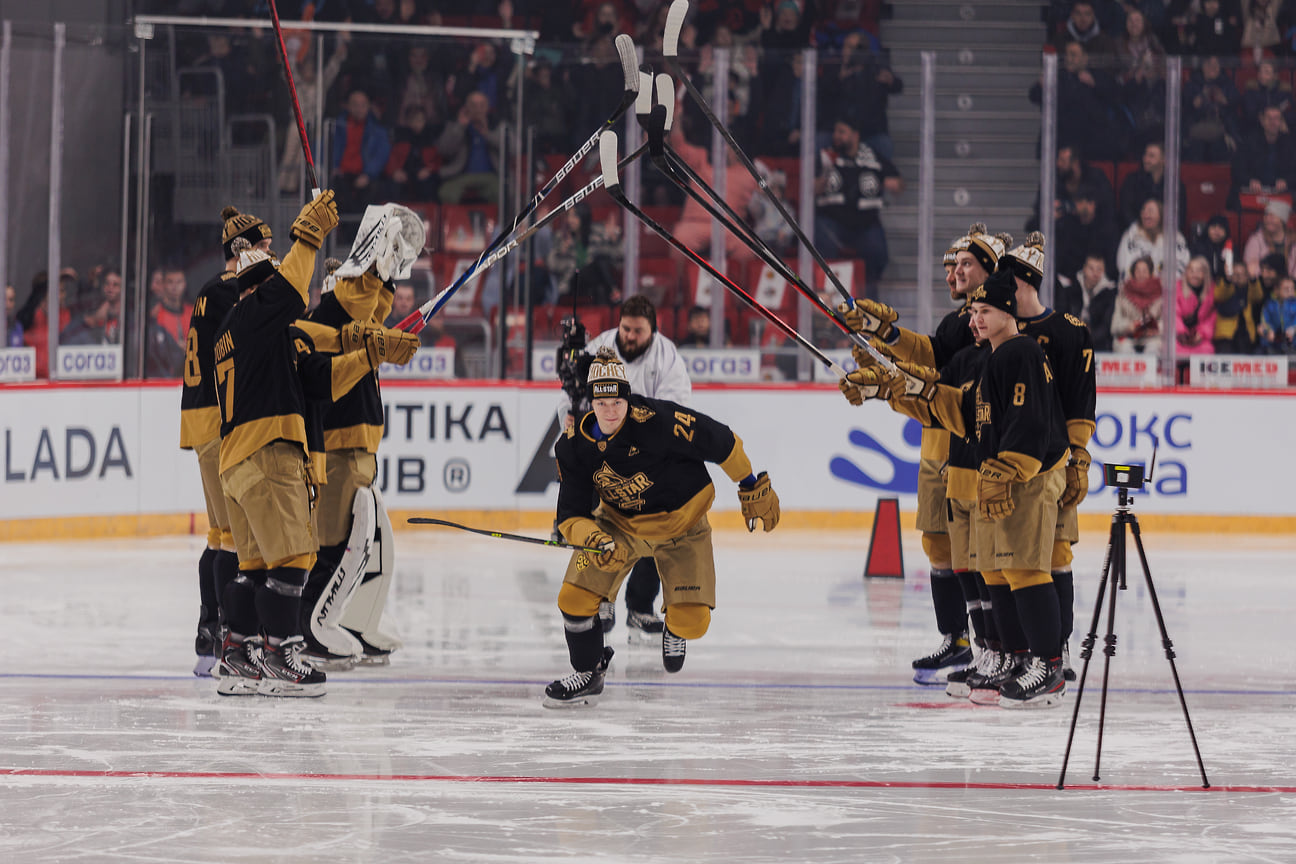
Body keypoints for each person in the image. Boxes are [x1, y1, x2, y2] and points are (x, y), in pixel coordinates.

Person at [843, 264, 1071, 708]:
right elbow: (962, 411)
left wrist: (1006, 470)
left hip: (1026, 480)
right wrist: (893, 389)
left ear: (1008, 312)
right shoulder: (992, 358)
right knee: (1003, 571)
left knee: (1026, 570)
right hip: (1006, 479)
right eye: (974, 312)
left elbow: (1030, 424)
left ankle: (1049, 668)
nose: (975, 319)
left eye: (985, 311)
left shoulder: (1020, 353)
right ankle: (1022, 659)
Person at [212, 190, 411, 698]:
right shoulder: (259, 310)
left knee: (252, 565)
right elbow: (293, 295)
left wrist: (371, 351)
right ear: (260, 283)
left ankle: (238, 652)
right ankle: (280, 654)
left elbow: (321, 376)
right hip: (267, 450)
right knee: (295, 559)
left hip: (235, 461)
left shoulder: (245, 333)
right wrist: (308, 234)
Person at [544, 347, 780, 706]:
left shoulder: (658, 419)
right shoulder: (573, 446)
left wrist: (749, 482)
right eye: (602, 403)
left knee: (693, 623)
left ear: (627, 397)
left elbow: (720, 440)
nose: (610, 411)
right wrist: (592, 537)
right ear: (591, 402)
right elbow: (571, 515)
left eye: (617, 402)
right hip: (619, 527)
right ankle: (589, 671)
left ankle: (675, 623)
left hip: (682, 526)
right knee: (572, 599)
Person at [836, 223, 1010, 685]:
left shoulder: (996, 326)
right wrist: (883, 351)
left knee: (978, 551)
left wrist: (887, 339)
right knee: (938, 543)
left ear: (990, 271)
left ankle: (998, 647)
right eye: (950, 265)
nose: (952, 273)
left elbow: (930, 368)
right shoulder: (956, 322)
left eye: (962, 264)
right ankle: (958, 639)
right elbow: (928, 366)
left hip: (969, 444)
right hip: (938, 442)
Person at [301, 205, 423, 669]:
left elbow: (372, 308)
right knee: (335, 547)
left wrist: (386, 276)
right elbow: (358, 301)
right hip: (337, 452)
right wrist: (371, 264)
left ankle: (350, 619)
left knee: (365, 544)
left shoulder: (357, 326)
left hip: (362, 451)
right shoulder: (325, 323)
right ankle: (310, 628)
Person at [558, 295, 693, 642]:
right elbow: (570, 393)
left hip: (648, 460)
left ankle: (640, 607)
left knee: (652, 531)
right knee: (598, 526)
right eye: (626, 328)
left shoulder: (668, 359)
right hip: (601, 456)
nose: (630, 336)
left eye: (638, 331)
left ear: (653, 330)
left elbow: (673, 413)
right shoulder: (600, 347)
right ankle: (601, 599)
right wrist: (571, 419)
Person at [179, 205, 274, 677]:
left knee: (221, 534)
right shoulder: (229, 290)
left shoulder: (209, 290)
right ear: (247, 249)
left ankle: (208, 636)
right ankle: (219, 637)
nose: (271, 257)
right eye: (266, 248)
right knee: (231, 537)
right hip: (217, 419)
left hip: (202, 418)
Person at [1004, 233, 1096, 682]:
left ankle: (1056, 652)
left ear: (1023, 281)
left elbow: (1081, 401)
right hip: (1010, 459)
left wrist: (1079, 458)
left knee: (1056, 555)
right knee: (1013, 559)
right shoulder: (998, 331)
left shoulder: (1070, 332)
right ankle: (1022, 650)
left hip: (1054, 463)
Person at [813, 114, 903, 297]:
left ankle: (867, 298)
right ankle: (828, 294)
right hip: (832, 223)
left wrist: (891, 183)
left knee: (878, 252)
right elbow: (810, 188)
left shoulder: (873, 157)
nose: (836, 136)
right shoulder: (826, 156)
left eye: (842, 132)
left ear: (855, 135)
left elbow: (898, 183)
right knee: (818, 232)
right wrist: (821, 180)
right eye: (835, 132)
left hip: (865, 225)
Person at [331, 89, 392, 215]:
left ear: (369, 107)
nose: (359, 109)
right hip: (341, 176)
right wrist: (333, 167)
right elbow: (323, 149)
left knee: (372, 192)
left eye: (363, 105)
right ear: (348, 106)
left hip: (365, 176)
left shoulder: (377, 130)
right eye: (355, 104)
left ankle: (355, 231)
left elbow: (381, 155)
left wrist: (368, 174)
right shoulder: (336, 127)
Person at [437, 90, 502, 205]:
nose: (478, 109)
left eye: (482, 105)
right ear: (466, 107)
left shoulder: (496, 124)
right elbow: (444, 150)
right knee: (447, 193)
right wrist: (460, 126)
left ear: (487, 107)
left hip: (491, 176)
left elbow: (514, 149)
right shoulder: (455, 124)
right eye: (474, 105)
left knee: (503, 193)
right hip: (461, 175)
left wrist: (488, 134)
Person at [1182, 55, 1243, 164]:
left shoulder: (1227, 83)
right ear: (1203, 67)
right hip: (1197, 124)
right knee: (1195, 148)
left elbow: (1235, 102)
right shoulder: (1192, 83)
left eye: (1216, 65)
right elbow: (1187, 106)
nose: (1213, 68)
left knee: (1221, 146)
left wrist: (1223, 100)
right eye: (1210, 65)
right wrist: (1202, 96)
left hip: (1222, 126)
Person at [1118, 142, 1188, 232]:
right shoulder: (1132, 181)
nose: (1146, 159)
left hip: (1165, 236)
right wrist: (1140, 230)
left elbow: (1179, 217)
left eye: (1151, 156)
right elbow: (1126, 212)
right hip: (1136, 233)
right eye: (1145, 155)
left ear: (1164, 159)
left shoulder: (1174, 185)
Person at [1116, 197, 1190, 282]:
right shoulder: (1131, 236)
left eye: (1150, 211)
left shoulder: (1175, 238)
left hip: (1166, 290)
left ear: (1161, 215)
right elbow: (1124, 267)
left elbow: (1182, 265)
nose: (1145, 215)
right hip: (1136, 289)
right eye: (1143, 211)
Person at [1232, 106, 1296, 202]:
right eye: (1269, 118)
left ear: (1281, 121)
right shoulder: (1248, 142)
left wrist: (1286, 181)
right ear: (1262, 120)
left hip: (1281, 192)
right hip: (1254, 190)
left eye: (1276, 118)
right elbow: (1237, 170)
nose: (1273, 122)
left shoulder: (1290, 143)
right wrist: (1250, 181)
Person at [1057, 252, 1118, 351]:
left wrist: (1089, 335)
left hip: (1098, 343)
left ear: (1104, 271)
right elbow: (1061, 315)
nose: (1095, 273)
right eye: (1091, 268)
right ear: (1084, 268)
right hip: (1071, 337)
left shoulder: (1110, 292)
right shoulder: (1070, 287)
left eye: (1099, 269)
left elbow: (1107, 325)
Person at [1111, 255, 1165, 353]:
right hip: (1128, 337)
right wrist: (1129, 326)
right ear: (1132, 273)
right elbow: (1114, 325)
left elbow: (1167, 323)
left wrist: (1155, 329)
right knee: (1124, 348)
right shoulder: (1122, 294)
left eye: (1145, 271)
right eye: (1138, 271)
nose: (1141, 274)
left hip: (1153, 338)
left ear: (1151, 274)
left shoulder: (1161, 295)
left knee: (1153, 347)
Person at [145, 266, 192, 378]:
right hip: (164, 376)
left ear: (184, 284)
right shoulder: (154, 314)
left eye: (179, 282)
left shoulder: (193, 311)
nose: (175, 287)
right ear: (163, 285)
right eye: (170, 282)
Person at [1175, 256, 1219, 358]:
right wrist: (1181, 332)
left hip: (1200, 338)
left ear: (1205, 274)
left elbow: (1212, 317)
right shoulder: (1176, 287)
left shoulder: (1212, 291)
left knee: (1207, 350)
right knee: (1173, 351)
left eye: (1199, 271)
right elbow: (1173, 313)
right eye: (1191, 271)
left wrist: (1202, 333)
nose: (1194, 275)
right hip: (1179, 337)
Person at [1242, 198, 1296, 279]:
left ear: (1282, 220)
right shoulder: (1256, 240)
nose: (1268, 219)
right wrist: (1268, 276)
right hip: (1263, 284)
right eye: (1266, 216)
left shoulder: (1294, 240)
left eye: (1272, 217)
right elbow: (1251, 267)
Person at [1259, 274, 1296, 352]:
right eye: (1286, 289)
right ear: (1276, 290)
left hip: (1292, 344)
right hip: (1273, 344)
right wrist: (1268, 330)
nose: (1290, 292)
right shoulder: (1269, 305)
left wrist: (1293, 329)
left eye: (1292, 289)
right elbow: (1265, 321)